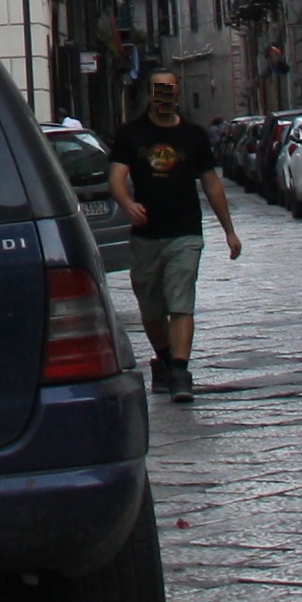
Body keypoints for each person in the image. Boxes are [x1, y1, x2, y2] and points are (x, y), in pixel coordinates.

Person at [108, 69, 241, 403]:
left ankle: (180, 372)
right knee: (152, 309)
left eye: (169, 89)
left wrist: (229, 231)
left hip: (185, 232)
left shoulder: (194, 136)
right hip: (146, 236)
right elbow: (117, 177)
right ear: (150, 94)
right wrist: (127, 203)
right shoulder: (130, 135)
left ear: (177, 94)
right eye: (158, 89)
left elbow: (211, 183)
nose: (163, 95)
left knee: (181, 301)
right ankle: (165, 360)